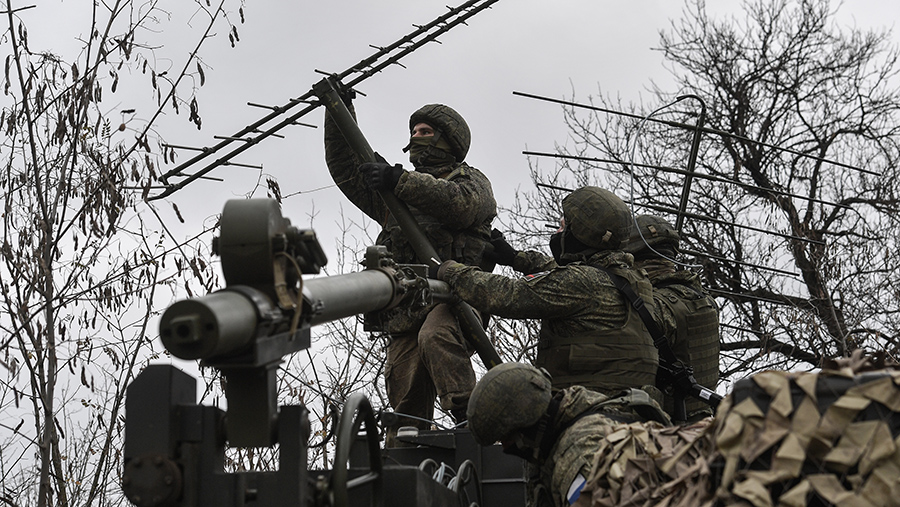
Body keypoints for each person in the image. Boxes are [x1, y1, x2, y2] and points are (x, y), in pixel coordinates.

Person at [324, 101, 496, 445]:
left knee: (436, 335)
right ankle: (406, 445)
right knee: (404, 382)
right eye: (413, 132)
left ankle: (469, 419)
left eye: (426, 132)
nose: (416, 138)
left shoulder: (470, 180)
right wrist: (338, 110)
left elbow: (460, 206)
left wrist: (399, 180)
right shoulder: (394, 196)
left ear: (447, 140)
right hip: (408, 306)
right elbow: (346, 169)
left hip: (456, 300)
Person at [438, 186, 660, 398]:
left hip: (588, 409)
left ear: (580, 235)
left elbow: (508, 295)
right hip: (632, 407)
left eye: (563, 228)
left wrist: (451, 271)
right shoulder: (636, 281)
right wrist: (517, 258)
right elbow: (574, 275)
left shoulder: (581, 283)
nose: (558, 233)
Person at [466, 362, 670, 507]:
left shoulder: (579, 454)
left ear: (525, 425)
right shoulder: (586, 409)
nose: (504, 447)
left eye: (506, 438)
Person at [622, 215, 720, 421]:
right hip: (703, 421)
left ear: (633, 258)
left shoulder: (658, 306)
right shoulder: (703, 298)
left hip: (668, 427)